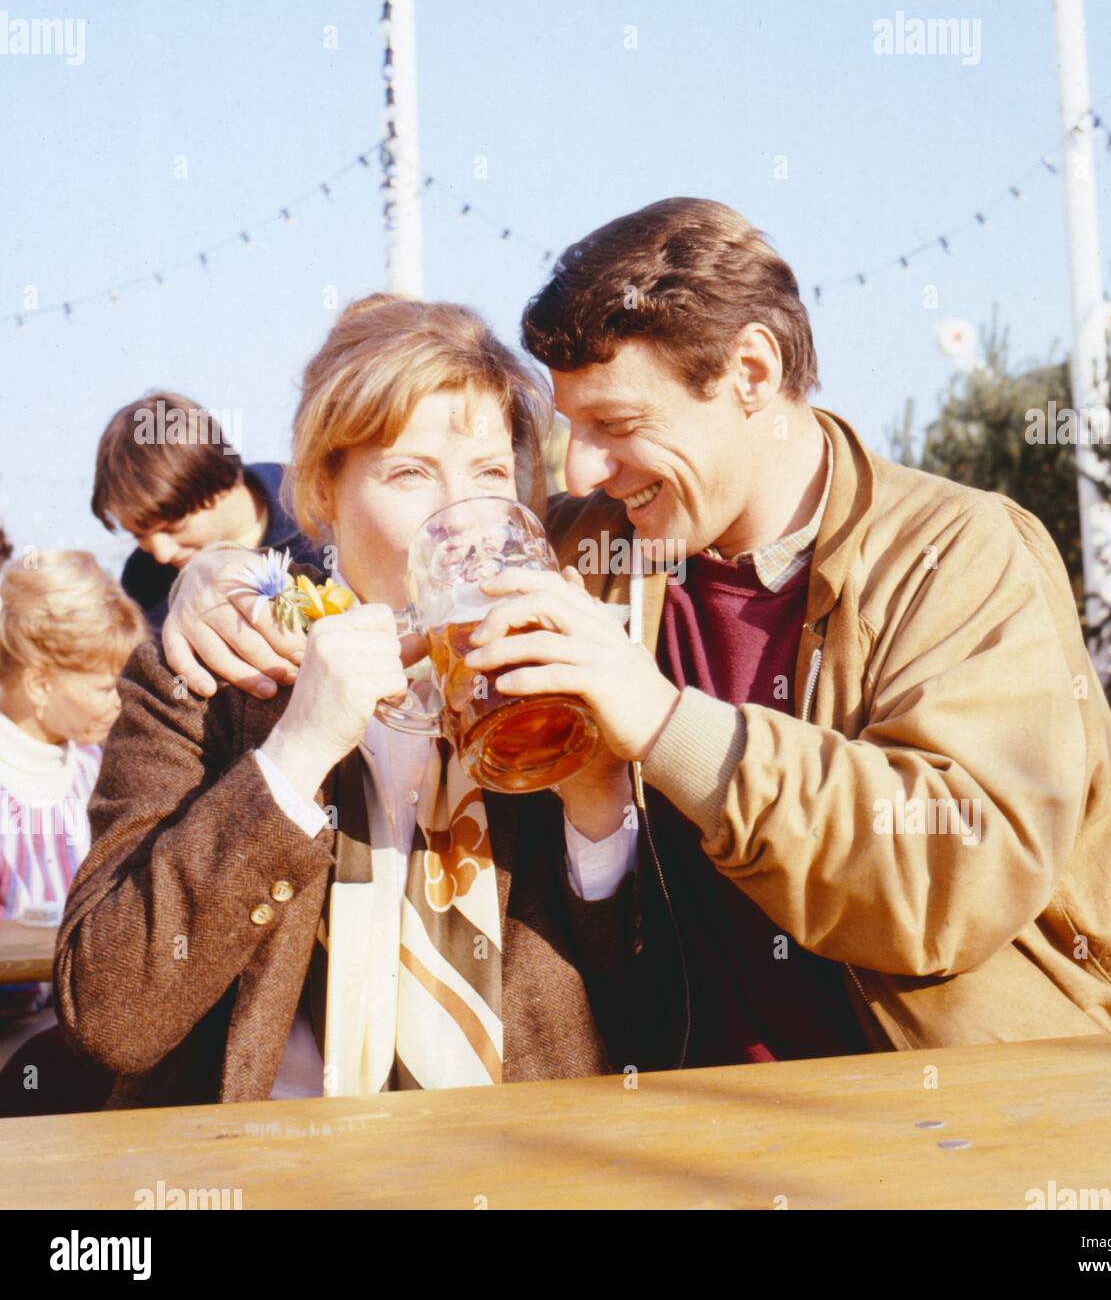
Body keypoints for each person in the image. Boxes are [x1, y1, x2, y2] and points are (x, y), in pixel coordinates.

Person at [162, 199, 1111, 1067]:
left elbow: (957, 874)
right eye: (570, 430)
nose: (584, 469)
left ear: (751, 373)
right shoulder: (594, 547)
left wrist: (664, 721)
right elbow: (384, 552)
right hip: (697, 1123)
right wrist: (230, 575)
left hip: (971, 1111)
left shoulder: (961, 555)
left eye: (617, 425)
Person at [56, 297, 650, 1110]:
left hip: (522, 1174)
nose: (462, 521)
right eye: (409, 473)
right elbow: (111, 1017)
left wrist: (596, 798)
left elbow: (650, 1006)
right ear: (320, 491)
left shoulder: (563, 673)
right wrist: (294, 755)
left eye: (487, 476)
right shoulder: (207, 671)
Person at [0, 551, 145, 1115]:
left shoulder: (96, 772)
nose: (120, 702)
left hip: (83, 1039)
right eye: (107, 686)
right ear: (38, 683)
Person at [91, 390, 323, 633]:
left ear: (219, 481)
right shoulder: (144, 580)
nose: (161, 553)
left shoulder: (322, 521)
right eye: (139, 535)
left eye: (173, 528)